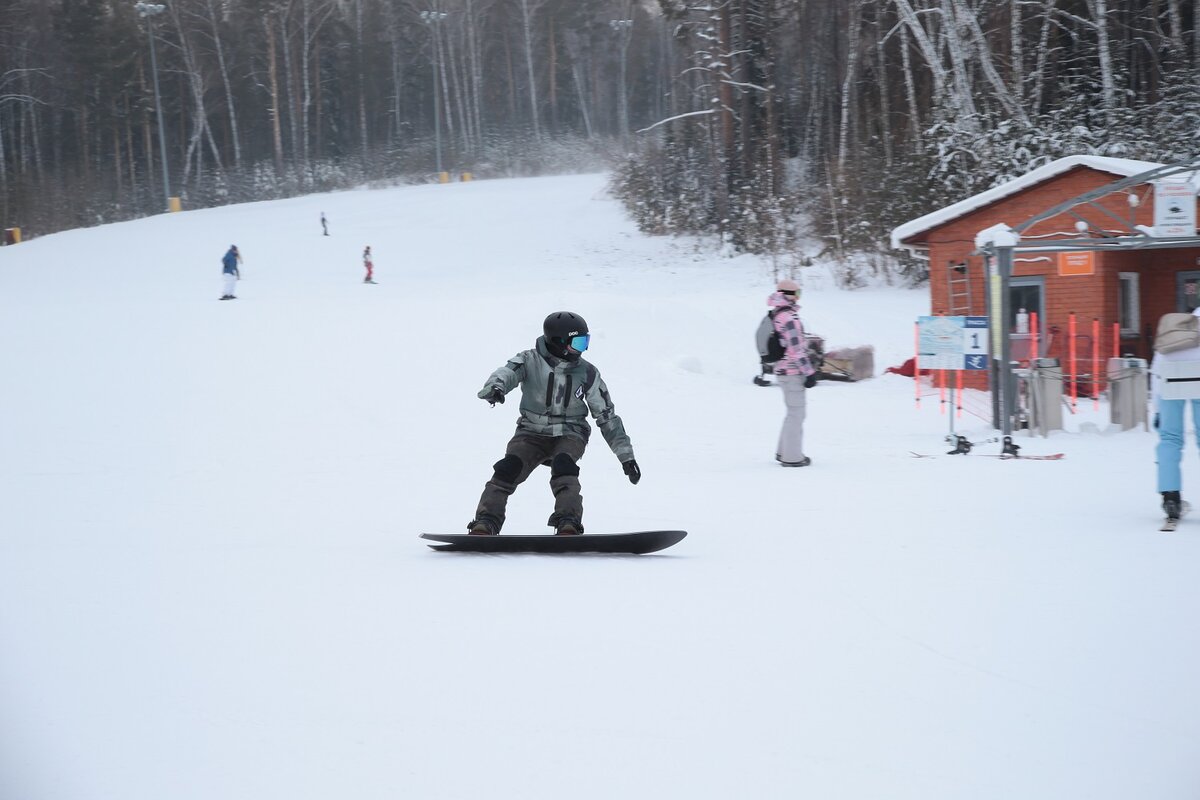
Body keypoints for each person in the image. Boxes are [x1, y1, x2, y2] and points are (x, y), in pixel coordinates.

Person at [467, 311, 640, 536]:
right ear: (558, 342)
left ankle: (568, 521)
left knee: (564, 466)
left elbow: (607, 416)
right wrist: (496, 388)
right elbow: (507, 373)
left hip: (570, 432)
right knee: (508, 468)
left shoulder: (587, 372)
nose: (582, 349)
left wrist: (626, 457)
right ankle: (486, 521)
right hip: (530, 432)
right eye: (577, 343)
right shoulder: (529, 360)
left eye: (585, 342)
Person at [1151, 307, 1200, 525]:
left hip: (1170, 383)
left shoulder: (1172, 329)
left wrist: (1157, 410)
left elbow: (1156, 370)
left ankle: (1170, 497)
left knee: (1170, 439)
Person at [768, 279, 817, 467]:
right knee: (797, 414)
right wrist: (809, 373)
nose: (798, 298)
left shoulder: (777, 314)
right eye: (797, 294)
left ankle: (784, 452)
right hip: (792, 371)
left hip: (783, 370)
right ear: (788, 295)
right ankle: (792, 457)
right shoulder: (789, 318)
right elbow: (796, 350)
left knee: (792, 413)